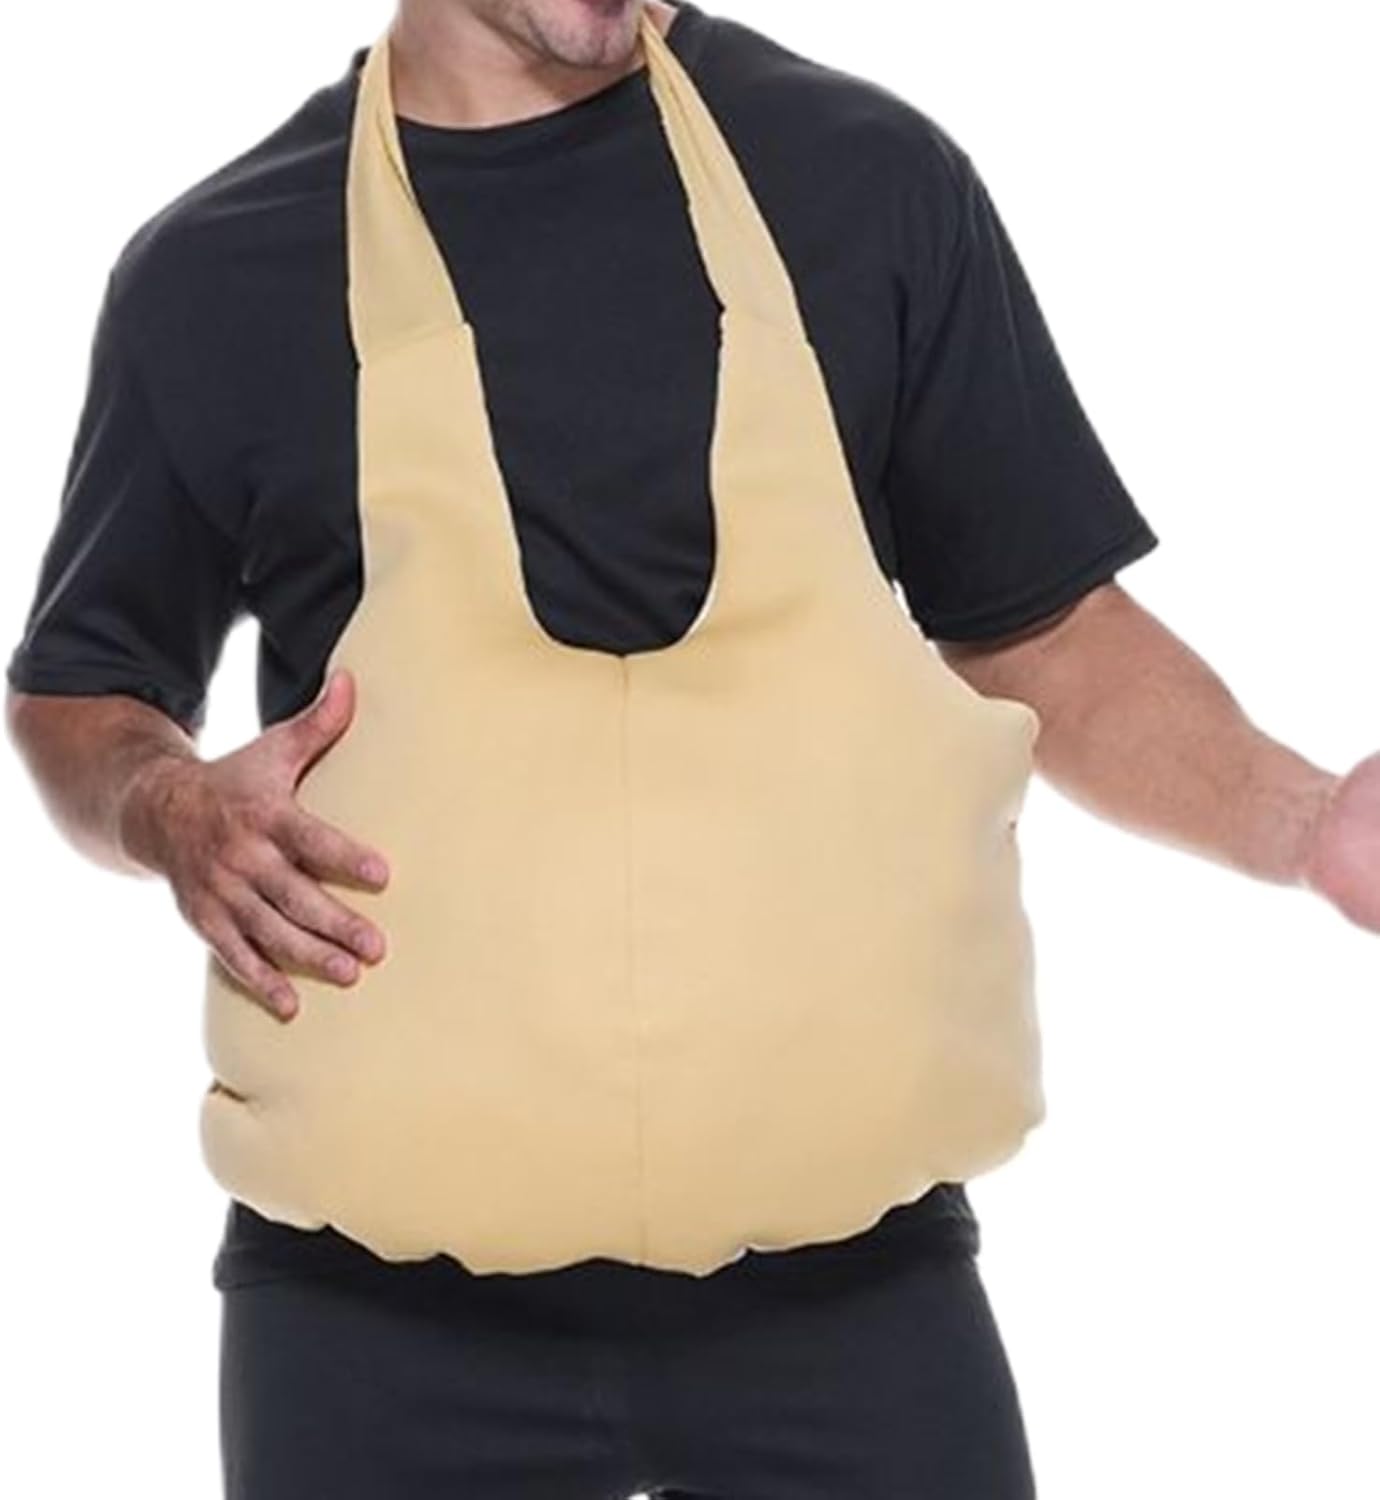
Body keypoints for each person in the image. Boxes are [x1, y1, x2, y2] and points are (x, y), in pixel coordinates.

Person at [6, 1, 1376, 1495]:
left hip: (852, 1296)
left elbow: (1045, 632)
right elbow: (82, 690)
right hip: (373, 1327)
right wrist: (166, 805)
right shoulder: (217, 271)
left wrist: (1308, 824)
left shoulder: (863, 182)